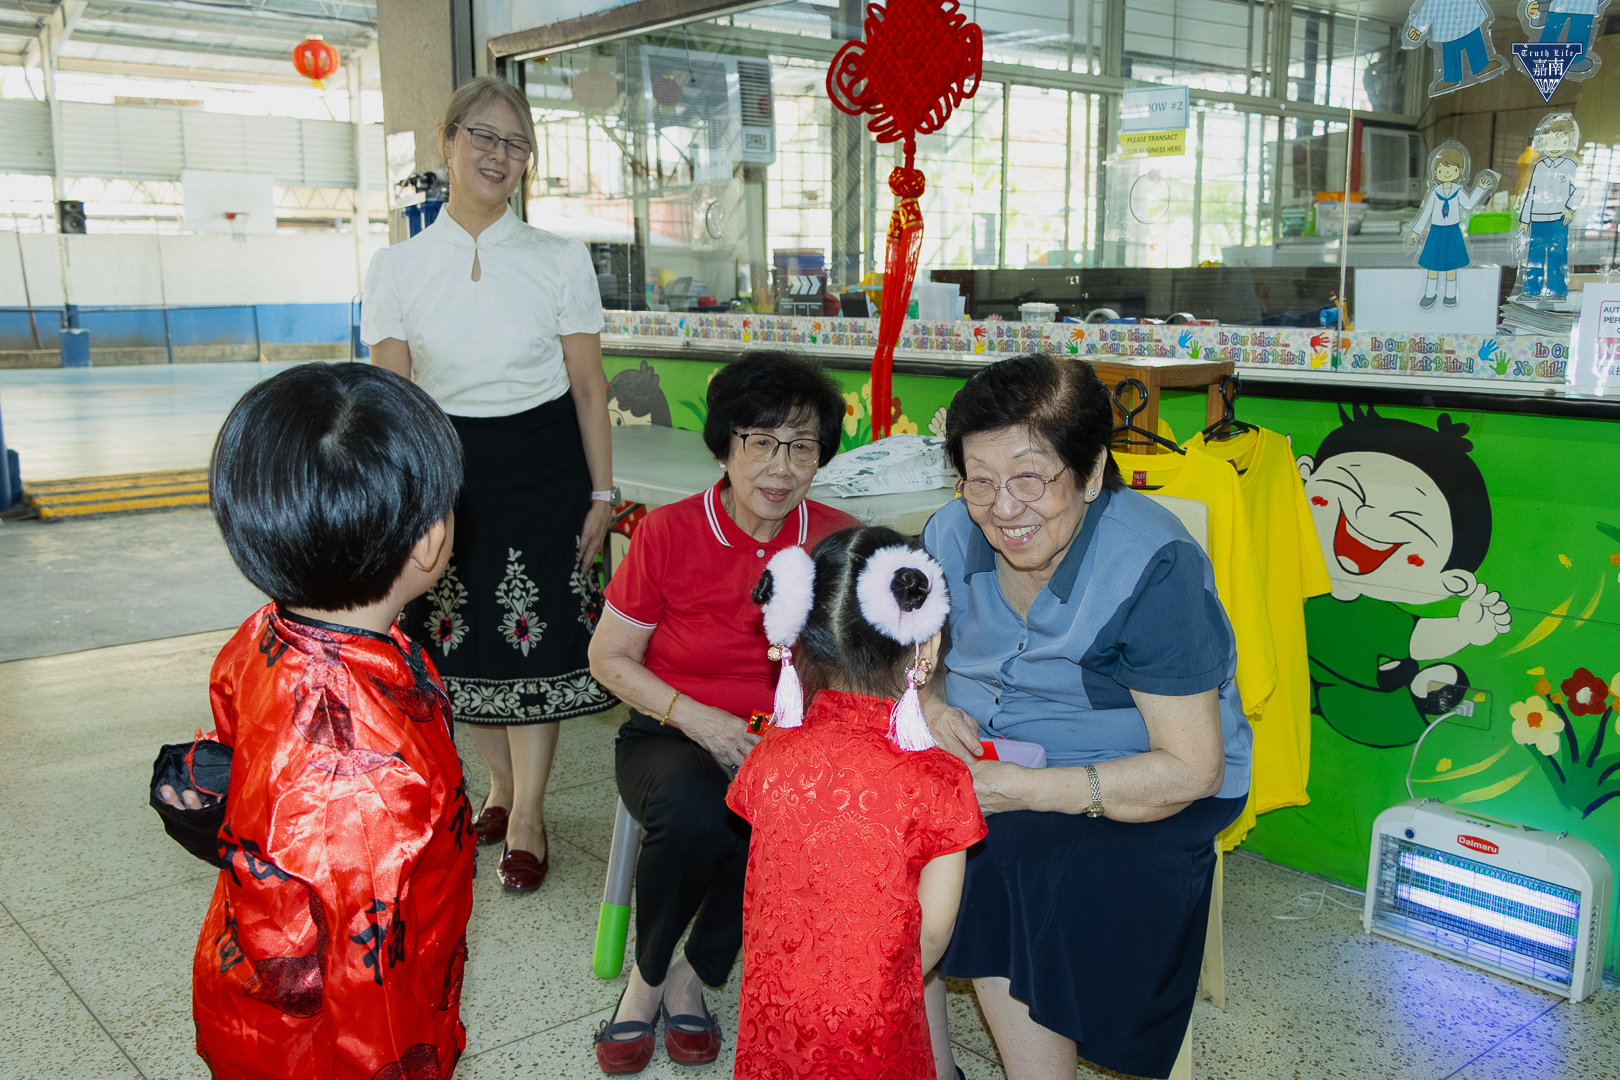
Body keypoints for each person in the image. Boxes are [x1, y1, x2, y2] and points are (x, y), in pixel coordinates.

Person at [920, 354, 1252, 1080]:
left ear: (1093, 469)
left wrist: (1020, 788)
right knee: (872, 826)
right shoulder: (949, 534)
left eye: (1031, 478)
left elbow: (1193, 768)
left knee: (998, 855)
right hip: (992, 763)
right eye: (980, 481)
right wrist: (933, 703)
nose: (1004, 508)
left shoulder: (1152, 563)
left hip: (1147, 780)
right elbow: (913, 666)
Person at [162, 363, 475, 1080]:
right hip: (325, 1047)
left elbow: (240, 747)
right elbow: (372, 999)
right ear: (428, 541)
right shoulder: (364, 778)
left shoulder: (268, 630)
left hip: (256, 991)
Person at [363, 76, 616, 895]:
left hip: (545, 465)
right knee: (458, 648)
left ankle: (531, 812)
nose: (498, 156)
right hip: (447, 472)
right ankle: (500, 786)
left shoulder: (557, 257)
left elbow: (586, 386)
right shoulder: (396, 266)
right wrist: (406, 501)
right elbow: (395, 397)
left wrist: (602, 496)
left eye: (516, 144)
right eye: (483, 136)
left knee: (533, 643)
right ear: (447, 141)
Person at [588, 352, 860, 1074]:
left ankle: (693, 975)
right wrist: (700, 719)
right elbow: (608, 658)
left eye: (802, 446)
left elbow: (867, 667)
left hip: (789, 742)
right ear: (725, 445)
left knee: (787, 811)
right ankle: (646, 985)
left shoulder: (837, 539)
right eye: (760, 441)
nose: (781, 466)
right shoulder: (668, 533)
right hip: (670, 728)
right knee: (696, 805)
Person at [726, 530, 986, 1080]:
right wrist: (887, 989)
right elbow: (934, 932)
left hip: (777, 1008)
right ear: (928, 647)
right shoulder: (938, 781)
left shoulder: (770, 758)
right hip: (876, 1022)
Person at [1405, 144, 1496, 309]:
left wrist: (1480, 190)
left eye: (1451, 169)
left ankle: (1450, 295)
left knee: (1451, 267)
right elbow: (1425, 214)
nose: (1446, 173)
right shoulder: (1434, 193)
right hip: (1435, 233)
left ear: (1459, 172)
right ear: (1435, 173)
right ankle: (1430, 294)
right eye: (1441, 169)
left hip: (1453, 232)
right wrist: (1415, 232)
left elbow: (1468, 205)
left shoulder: (1459, 190)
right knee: (1433, 266)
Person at [1516, 113, 1582, 301]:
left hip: (1558, 220)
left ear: (1569, 144)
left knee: (1558, 257)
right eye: (1548, 142)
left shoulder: (1570, 166)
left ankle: (1557, 291)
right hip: (1537, 219)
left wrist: (1569, 208)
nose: (1552, 147)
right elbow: (1531, 193)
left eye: (1558, 142)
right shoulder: (1539, 167)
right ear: (1541, 144)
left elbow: (1578, 190)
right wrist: (1524, 220)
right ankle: (1531, 291)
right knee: (1534, 258)